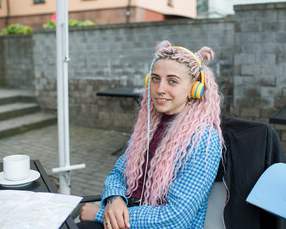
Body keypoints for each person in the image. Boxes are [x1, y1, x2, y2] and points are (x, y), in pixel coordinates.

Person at [77, 40, 224, 229]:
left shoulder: (204, 140)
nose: (160, 89)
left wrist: (98, 214)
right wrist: (114, 199)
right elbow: (118, 174)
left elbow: (175, 218)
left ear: (194, 89)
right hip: (127, 216)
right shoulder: (147, 126)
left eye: (172, 81)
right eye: (155, 78)